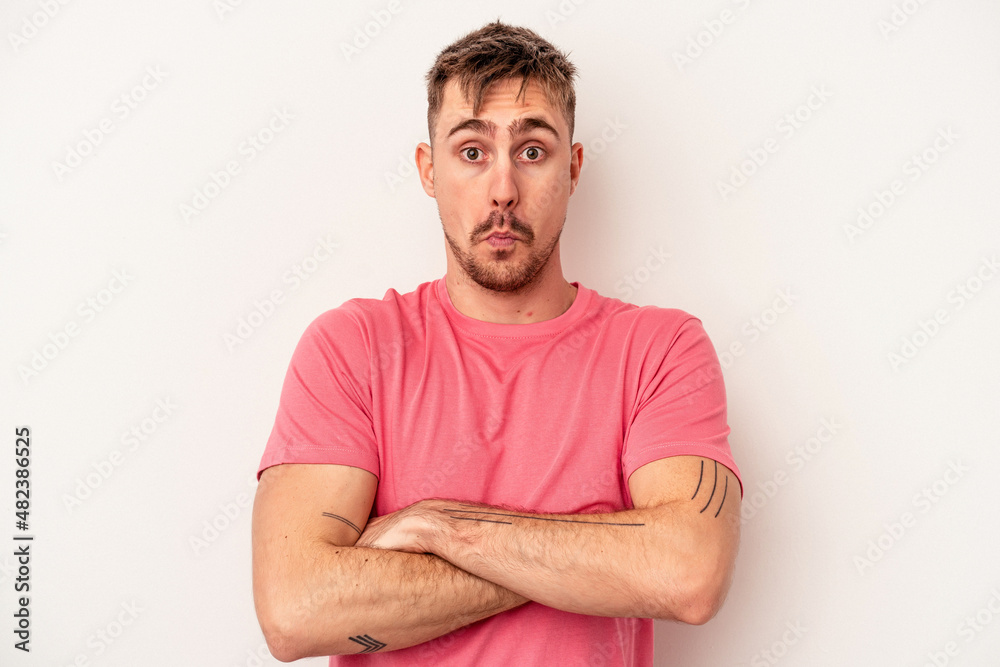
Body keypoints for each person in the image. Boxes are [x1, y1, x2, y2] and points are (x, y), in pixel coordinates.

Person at [251, 21, 742, 666]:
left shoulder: (660, 349)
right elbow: (296, 611)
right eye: (473, 152)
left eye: (532, 151)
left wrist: (439, 528)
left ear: (573, 166)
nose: (504, 189)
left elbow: (687, 574)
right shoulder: (353, 349)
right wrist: (590, 562)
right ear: (429, 169)